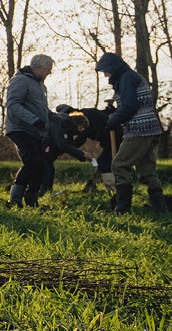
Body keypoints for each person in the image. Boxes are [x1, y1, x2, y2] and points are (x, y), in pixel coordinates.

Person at [96, 52, 167, 213]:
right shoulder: (131, 76)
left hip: (138, 130)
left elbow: (129, 106)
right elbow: (132, 103)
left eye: (106, 71)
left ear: (113, 68)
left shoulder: (126, 78)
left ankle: (122, 209)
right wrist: (115, 111)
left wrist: (111, 122)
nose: (105, 75)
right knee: (146, 171)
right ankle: (160, 208)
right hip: (151, 128)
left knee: (119, 164)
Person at [4, 55, 53, 208]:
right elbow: (12, 104)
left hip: (35, 131)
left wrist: (61, 119)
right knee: (32, 162)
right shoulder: (20, 80)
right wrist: (33, 120)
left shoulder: (41, 86)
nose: (48, 74)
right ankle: (14, 199)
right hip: (19, 128)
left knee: (41, 165)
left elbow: (43, 111)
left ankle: (32, 200)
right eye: (47, 70)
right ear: (38, 68)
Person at [40, 111, 88, 196]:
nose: (80, 131)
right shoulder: (61, 123)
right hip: (42, 149)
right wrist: (82, 154)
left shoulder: (68, 129)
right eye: (81, 128)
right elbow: (62, 145)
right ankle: (42, 194)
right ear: (77, 123)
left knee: (50, 171)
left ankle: (47, 194)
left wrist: (82, 156)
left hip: (48, 152)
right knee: (47, 171)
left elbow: (69, 146)